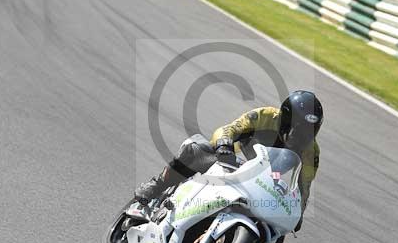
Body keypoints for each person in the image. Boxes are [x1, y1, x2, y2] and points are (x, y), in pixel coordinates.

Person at [134, 90, 323, 230]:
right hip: (232, 160)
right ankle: (157, 185)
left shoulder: (311, 153)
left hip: (265, 181)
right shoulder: (265, 116)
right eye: (297, 128)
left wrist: (298, 214)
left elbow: (303, 188)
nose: (300, 136)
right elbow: (230, 129)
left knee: (276, 231)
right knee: (197, 149)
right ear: (285, 119)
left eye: (308, 131)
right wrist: (224, 144)